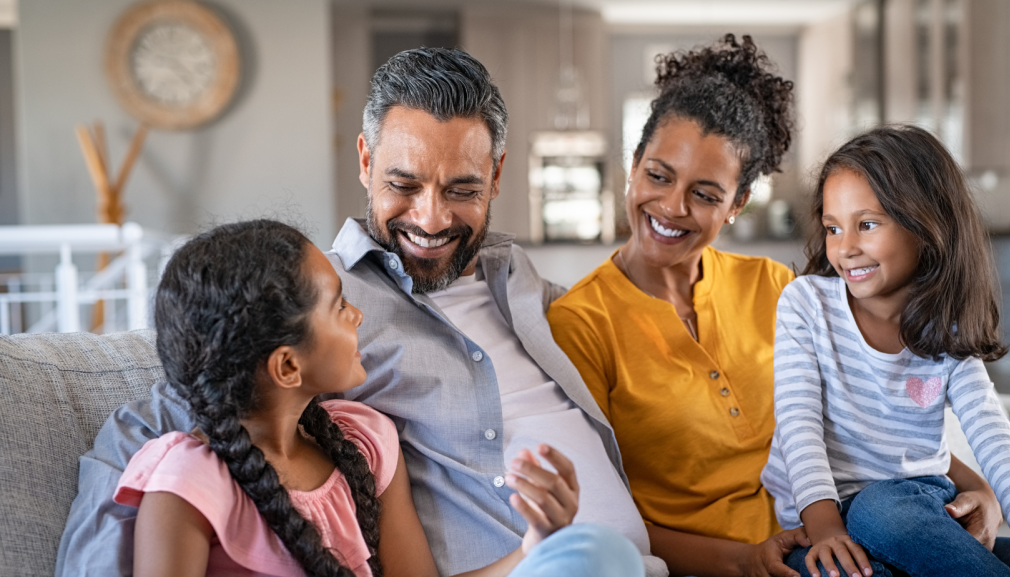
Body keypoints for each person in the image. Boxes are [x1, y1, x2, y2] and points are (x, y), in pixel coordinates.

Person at [56, 48, 661, 577]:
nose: (431, 219)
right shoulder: (310, 308)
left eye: (462, 190)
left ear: (496, 176)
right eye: (405, 183)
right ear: (367, 161)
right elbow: (161, 415)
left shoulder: (520, 278)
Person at [546, 35, 1004, 577]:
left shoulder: (776, 286)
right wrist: (744, 561)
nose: (672, 206)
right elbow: (600, 517)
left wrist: (982, 490)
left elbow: (868, 424)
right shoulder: (579, 323)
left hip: (851, 530)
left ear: (738, 203)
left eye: (706, 193)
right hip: (748, 563)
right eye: (658, 175)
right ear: (633, 165)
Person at [116, 218, 612, 577]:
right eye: (338, 307)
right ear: (288, 366)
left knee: (595, 553)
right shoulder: (188, 483)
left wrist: (536, 544)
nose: (357, 315)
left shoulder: (364, 440)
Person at [760, 125, 1010, 577]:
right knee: (811, 569)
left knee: (878, 509)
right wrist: (824, 528)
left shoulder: (947, 329)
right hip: (821, 522)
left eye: (867, 224)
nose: (845, 248)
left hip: (910, 510)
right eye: (832, 227)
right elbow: (798, 425)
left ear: (926, 225)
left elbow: (992, 433)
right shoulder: (806, 304)